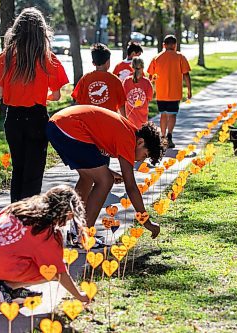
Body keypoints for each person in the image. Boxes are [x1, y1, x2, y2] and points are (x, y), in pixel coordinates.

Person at [46, 105, 164, 238]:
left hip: (58, 125)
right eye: (145, 155)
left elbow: (93, 160)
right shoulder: (128, 138)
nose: (141, 160)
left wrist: (107, 170)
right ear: (141, 142)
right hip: (68, 127)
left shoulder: (127, 133)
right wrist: (147, 222)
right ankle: (84, 235)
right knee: (105, 180)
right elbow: (131, 186)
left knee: (88, 178)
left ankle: (76, 231)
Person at [0, 7, 69, 203]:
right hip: (37, 118)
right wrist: (42, 94)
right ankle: (30, 215)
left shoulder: (6, 57)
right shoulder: (48, 58)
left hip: (14, 119)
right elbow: (57, 95)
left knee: (19, 168)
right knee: (34, 172)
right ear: (42, 31)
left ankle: (16, 212)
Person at [0, 185, 90, 308]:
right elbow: (59, 272)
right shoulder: (45, 231)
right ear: (68, 212)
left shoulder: (21, 207)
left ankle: (13, 292)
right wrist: (79, 296)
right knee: (50, 271)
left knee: (25, 253)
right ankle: (6, 287)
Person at [147, 35, 192, 148]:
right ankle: (170, 136)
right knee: (172, 115)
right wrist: (189, 90)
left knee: (163, 114)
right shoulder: (180, 57)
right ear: (175, 45)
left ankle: (162, 137)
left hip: (161, 93)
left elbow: (150, 77)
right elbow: (186, 74)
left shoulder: (157, 58)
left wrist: (149, 90)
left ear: (164, 45)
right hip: (175, 93)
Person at [72, 43, 126, 116]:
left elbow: (77, 102)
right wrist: (125, 121)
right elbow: (121, 105)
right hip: (109, 121)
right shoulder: (115, 80)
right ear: (108, 62)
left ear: (93, 63)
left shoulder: (85, 78)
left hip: (88, 122)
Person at [123, 57, 153, 129]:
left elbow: (122, 98)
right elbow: (149, 98)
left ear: (132, 68)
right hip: (143, 118)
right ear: (142, 68)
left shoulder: (126, 81)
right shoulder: (147, 82)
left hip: (129, 117)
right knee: (141, 138)